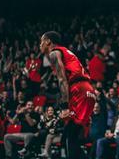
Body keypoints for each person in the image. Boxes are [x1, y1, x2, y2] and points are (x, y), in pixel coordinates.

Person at [39, 31, 97, 159]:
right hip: (87, 90)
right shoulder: (65, 52)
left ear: (48, 41)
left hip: (79, 90)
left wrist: (65, 106)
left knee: (69, 139)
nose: (40, 45)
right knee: (69, 137)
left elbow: (62, 80)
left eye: (41, 41)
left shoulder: (54, 53)